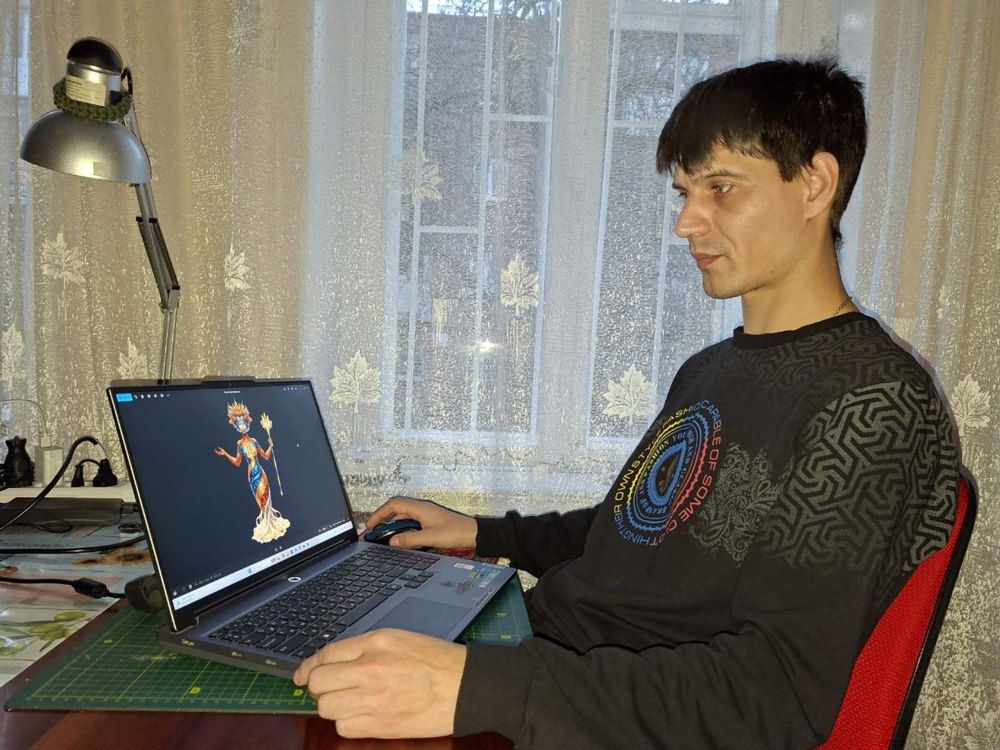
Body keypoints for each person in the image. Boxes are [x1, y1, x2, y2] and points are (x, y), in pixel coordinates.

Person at [293, 58, 960, 749]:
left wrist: (476, 689)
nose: (686, 223)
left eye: (721, 188)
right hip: (544, 670)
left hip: (592, 715)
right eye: (685, 193)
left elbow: (775, 694)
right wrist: (483, 533)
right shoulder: (711, 369)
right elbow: (633, 534)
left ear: (815, 182)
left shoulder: (874, 403)